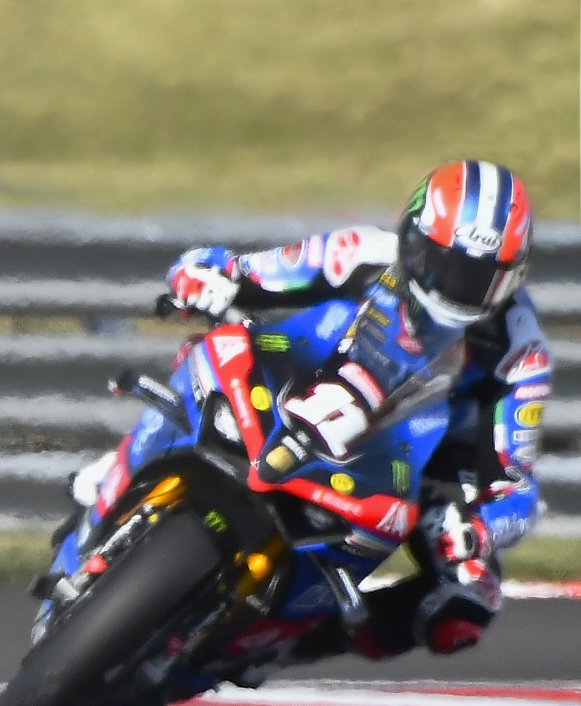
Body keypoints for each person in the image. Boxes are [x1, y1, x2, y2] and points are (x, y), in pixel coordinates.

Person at [67, 159, 547, 658]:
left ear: (513, 278)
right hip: (310, 384)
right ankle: (117, 480)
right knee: (210, 352)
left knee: (470, 602)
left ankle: (295, 644)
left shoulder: (520, 351)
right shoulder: (364, 251)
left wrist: (480, 529)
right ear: (412, 238)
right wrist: (205, 276)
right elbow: (247, 269)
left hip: (420, 463)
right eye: (442, 263)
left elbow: (516, 484)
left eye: (478, 279)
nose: (453, 285)